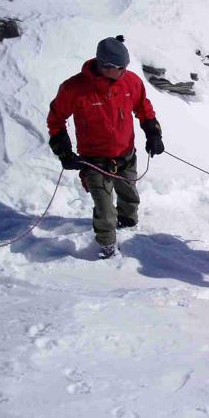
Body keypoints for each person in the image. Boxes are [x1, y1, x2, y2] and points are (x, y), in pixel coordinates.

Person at [46, 36, 164, 259]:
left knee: (129, 197)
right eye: (121, 68)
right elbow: (55, 120)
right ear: (105, 66)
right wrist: (63, 150)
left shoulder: (131, 82)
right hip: (95, 161)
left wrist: (153, 132)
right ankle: (107, 249)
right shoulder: (74, 88)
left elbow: (143, 107)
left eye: (126, 67)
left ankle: (129, 225)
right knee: (105, 211)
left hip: (126, 154)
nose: (125, 71)